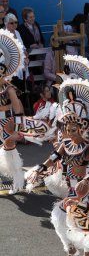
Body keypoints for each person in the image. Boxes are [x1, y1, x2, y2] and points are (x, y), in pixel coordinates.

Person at [26, 79, 89, 255]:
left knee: (77, 224)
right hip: (71, 188)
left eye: (73, 130)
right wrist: (40, 168)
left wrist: (87, 179)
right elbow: (53, 158)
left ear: (81, 128)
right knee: (65, 220)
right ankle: (71, 246)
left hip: (80, 191)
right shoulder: (66, 144)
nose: (70, 133)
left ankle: (78, 248)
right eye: (68, 130)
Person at [0, 29, 26, 194]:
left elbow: (18, 107)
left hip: (7, 120)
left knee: (10, 148)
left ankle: (17, 182)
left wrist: (18, 126)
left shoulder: (9, 88)